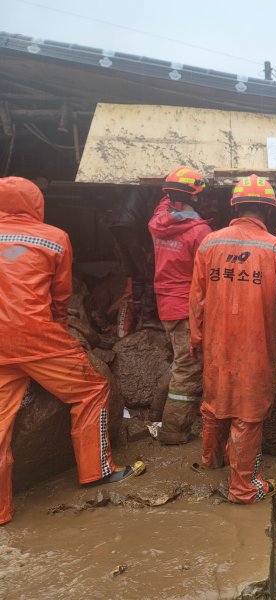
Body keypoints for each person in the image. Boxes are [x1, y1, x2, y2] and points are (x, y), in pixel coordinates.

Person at [0, 177, 143, 525]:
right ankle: (97, 470)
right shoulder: (53, 237)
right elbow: (60, 298)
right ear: (36, 203)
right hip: (34, 334)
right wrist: (61, 336)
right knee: (93, 388)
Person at [189, 174, 276, 504]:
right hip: (254, 341)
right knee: (248, 413)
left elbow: (196, 296)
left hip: (215, 340)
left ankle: (209, 463)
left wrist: (196, 337)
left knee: (214, 403)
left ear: (235, 206)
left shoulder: (210, 242)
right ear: (268, 211)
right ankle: (243, 488)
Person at [148, 166, 212, 444]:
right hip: (187, 308)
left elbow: (167, 201)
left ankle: (154, 414)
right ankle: (173, 432)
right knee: (188, 370)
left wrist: (172, 188)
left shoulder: (159, 221)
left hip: (166, 304)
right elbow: (208, 277)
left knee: (180, 361)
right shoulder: (200, 232)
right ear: (195, 197)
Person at [107, 186, 160, 331]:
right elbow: (152, 217)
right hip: (135, 226)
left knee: (136, 274)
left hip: (117, 225)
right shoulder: (154, 189)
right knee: (149, 272)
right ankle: (148, 318)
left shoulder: (131, 185)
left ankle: (138, 316)